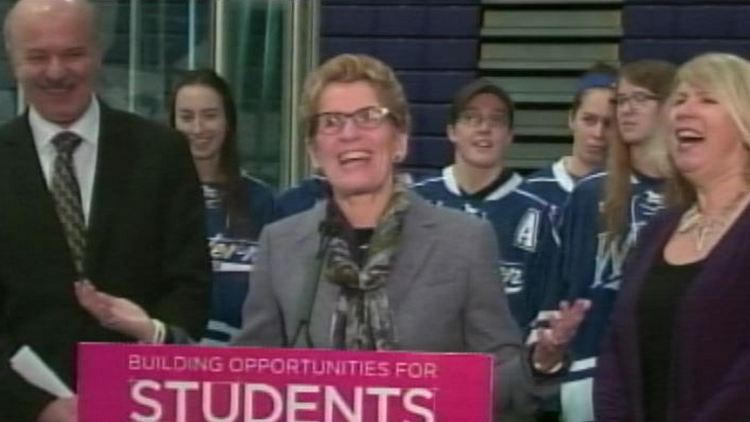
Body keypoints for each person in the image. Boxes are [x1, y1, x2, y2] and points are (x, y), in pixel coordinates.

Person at [231, 53, 590, 422]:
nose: (349, 133)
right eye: (331, 122)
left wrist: (541, 362)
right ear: (314, 152)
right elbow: (245, 380)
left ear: (400, 140)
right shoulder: (281, 244)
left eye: (369, 118)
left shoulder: (464, 241)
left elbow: (498, 384)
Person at [0, 1, 210, 421]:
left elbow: (191, 288)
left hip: (143, 404)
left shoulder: (162, 153)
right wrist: (37, 407)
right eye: (38, 56)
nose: (56, 71)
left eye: (73, 53)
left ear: (99, 52)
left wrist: (132, 386)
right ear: (13, 61)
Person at [595, 52, 750, 422]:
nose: (682, 112)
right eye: (679, 100)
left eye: (707, 99)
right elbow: (617, 350)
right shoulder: (659, 230)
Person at [539, 60, 676, 422]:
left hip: (668, 370)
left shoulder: (693, 196)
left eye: (640, 98)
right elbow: (560, 289)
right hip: (591, 368)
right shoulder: (587, 195)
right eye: (621, 100)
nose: (627, 109)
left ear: (670, 107)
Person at [412, 79, 558, 333]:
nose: (484, 128)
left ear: (510, 136)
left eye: (496, 121)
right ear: (452, 131)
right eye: (471, 118)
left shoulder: (538, 212)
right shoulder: (416, 201)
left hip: (503, 365)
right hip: (428, 365)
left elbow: (545, 308)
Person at [169, 69, 276, 344]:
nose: (198, 128)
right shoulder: (151, 198)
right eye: (186, 117)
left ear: (228, 122)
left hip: (244, 362)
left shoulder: (263, 201)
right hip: (167, 360)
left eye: (210, 115)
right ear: (172, 123)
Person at [524, 63, 617, 214]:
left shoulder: (632, 194)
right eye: (589, 120)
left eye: (609, 123)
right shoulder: (532, 191)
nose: (598, 133)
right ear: (571, 119)